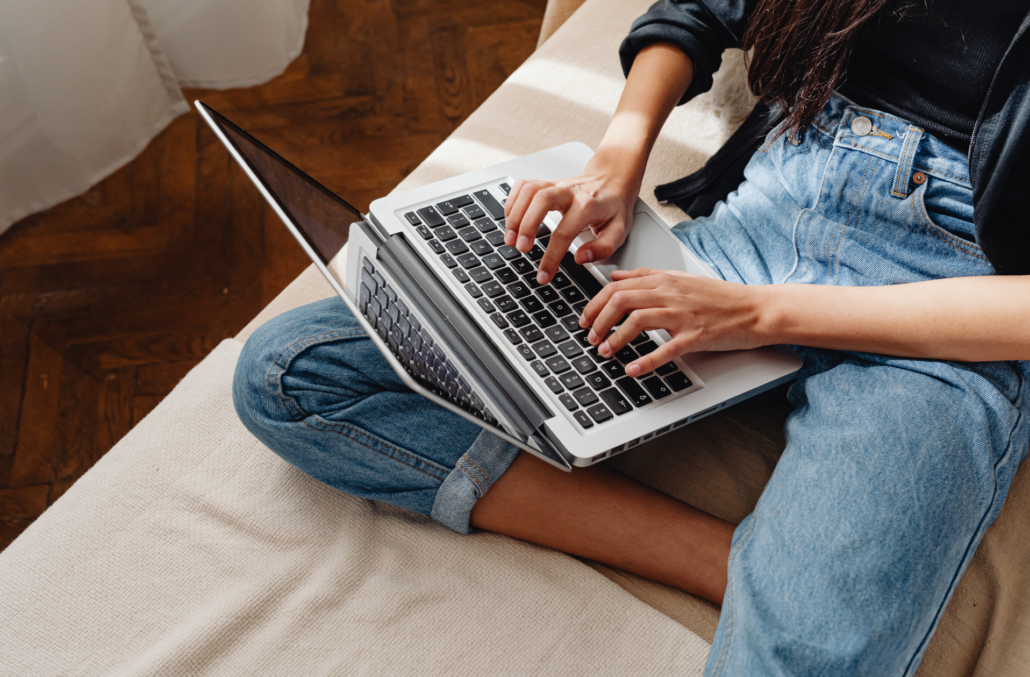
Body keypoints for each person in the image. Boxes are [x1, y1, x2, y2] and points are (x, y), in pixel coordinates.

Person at [233, 1, 1030, 673]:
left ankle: (789, 594)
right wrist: (615, 162)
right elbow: (701, 9)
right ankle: (741, 569)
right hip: (766, 211)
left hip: (949, 306)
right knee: (293, 373)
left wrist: (756, 316)